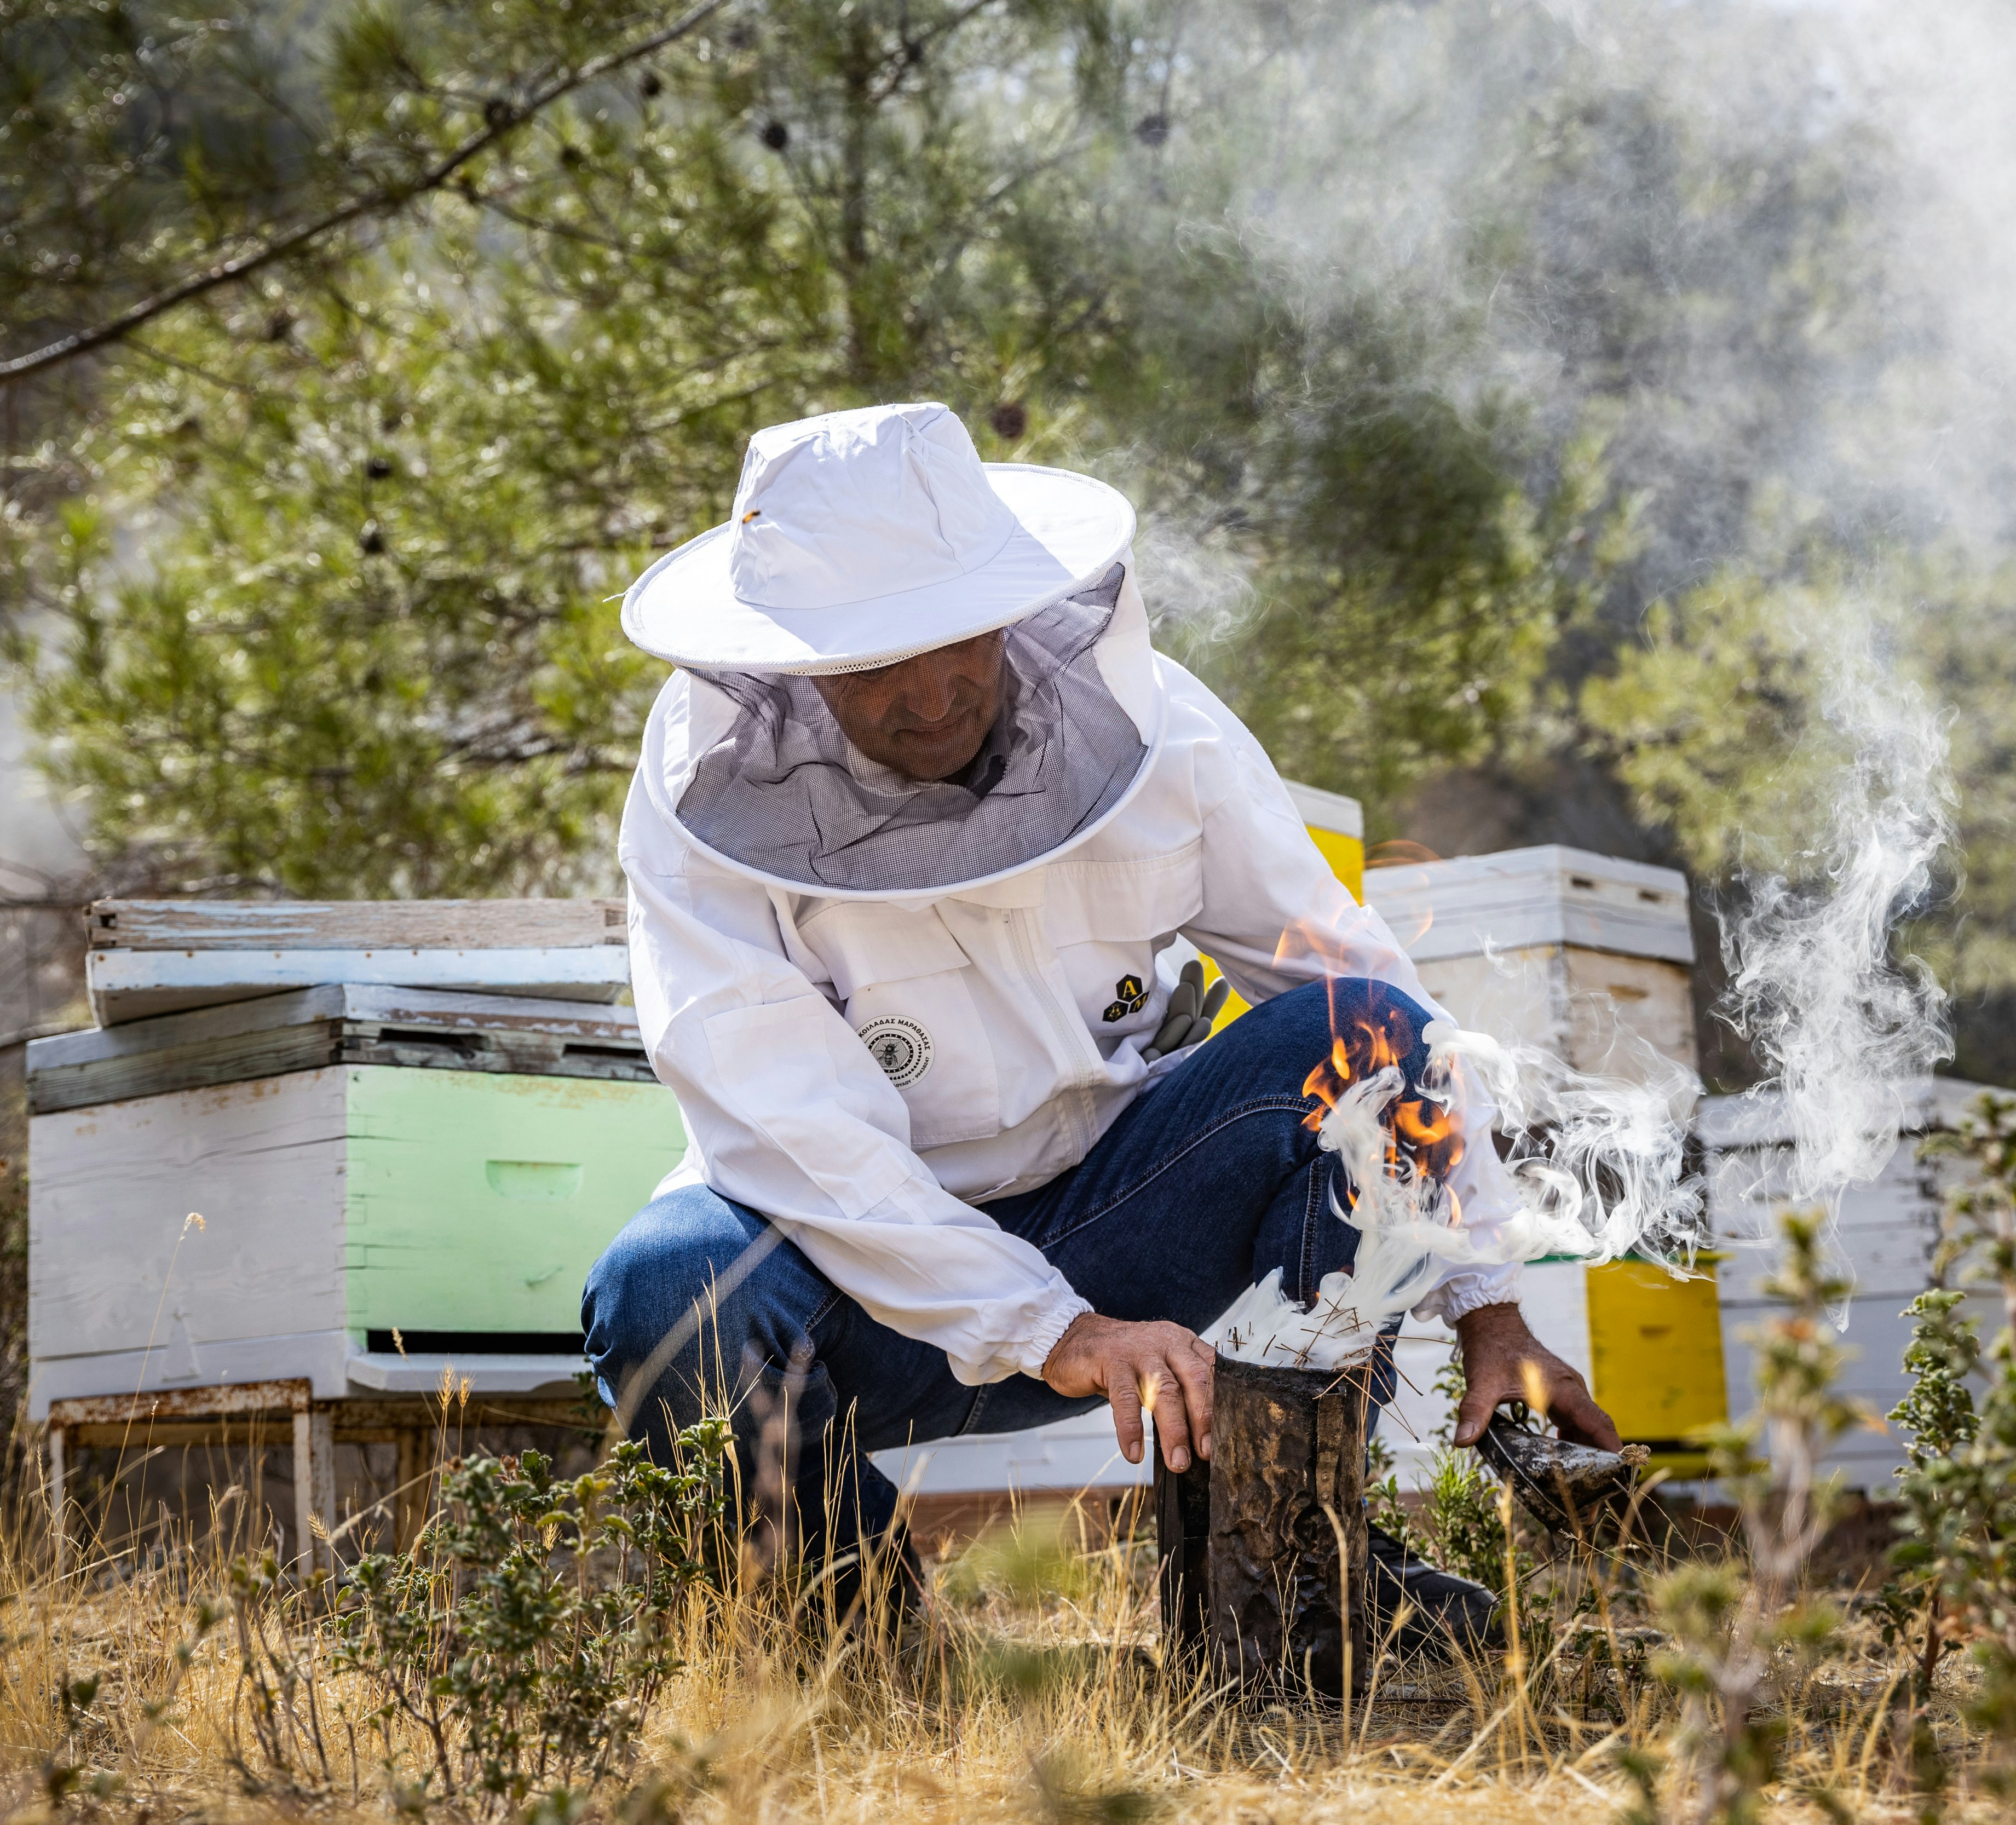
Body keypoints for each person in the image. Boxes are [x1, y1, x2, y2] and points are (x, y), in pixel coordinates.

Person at [582, 401, 1618, 1640]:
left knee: (1371, 1033)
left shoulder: (1157, 725)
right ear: (786, 664)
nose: (927, 694)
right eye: (868, 663)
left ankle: (1292, 1565)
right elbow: (792, 1129)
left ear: (1011, 601)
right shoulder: (701, 796)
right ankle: (838, 1624)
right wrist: (1054, 1330)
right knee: (662, 1288)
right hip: (849, 1277)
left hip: (1129, 1220)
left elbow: (1362, 993)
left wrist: (1491, 1303)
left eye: (953, 636)